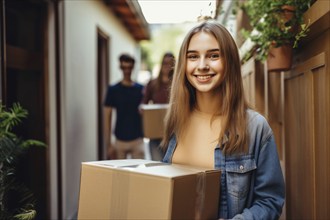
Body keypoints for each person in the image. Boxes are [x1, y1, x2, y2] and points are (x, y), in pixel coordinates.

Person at [161, 21, 285, 219]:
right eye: (193, 56)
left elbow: (270, 201)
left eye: (213, 55)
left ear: (229, 62)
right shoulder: (176, 122)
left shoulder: (255, 127)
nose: (202, 65)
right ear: (184, 65)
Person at [104, 53, 144, 159]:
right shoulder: (113, 90)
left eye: (129, 67)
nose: (127, 71)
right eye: (124, 67)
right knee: (119, 175)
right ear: (120, 68)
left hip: (137, 139)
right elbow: (107, 116)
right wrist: (108, 144)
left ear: (133, 67)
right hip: (119, 139)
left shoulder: (140, 89)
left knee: (140, 174)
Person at [142, 52, 175, 161]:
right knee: (156, 167)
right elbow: (143, 105)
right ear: (161, 64)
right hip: (155, 134)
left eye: (171, 63)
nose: (167, 66)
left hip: (173, 134)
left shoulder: (178, 84)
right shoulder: (152, 84)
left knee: (172, 167)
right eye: (165, 63)